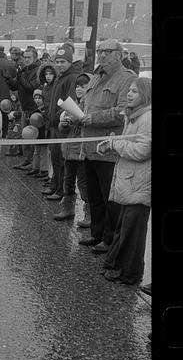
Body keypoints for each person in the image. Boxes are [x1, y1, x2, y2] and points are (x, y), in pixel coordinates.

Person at [77, 40, 137, 254]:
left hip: (108, 150)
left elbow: (123, 112)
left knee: (109, 198)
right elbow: (86, 105)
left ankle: (109, 239)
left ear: (119, 55)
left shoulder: (127, 78)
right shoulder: (95, 76)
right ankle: (97, 234)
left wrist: (93, 118)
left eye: (107, 51)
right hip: (89, 147)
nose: (102, 55)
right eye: (100, 51)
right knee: (94, 196)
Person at [98, 77, 151, 285]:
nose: (129, 94)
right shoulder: (134, 116)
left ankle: (130, 274)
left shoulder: (147, 118)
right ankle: (119, 266)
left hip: (140, 184)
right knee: (125, 227)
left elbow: (142, 151)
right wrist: (111, 143)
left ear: (145, 96)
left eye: (134, 92)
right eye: (129, 90)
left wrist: (116, 145)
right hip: (131, 181)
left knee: (134, 232)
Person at [42, 45, 83, 202]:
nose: (59, 65)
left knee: (60, 160)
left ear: (69, 62)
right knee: (55, 158)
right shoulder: (61, 76)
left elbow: (69, 103)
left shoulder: (71, 78)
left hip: (61, 127)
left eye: (63, 62)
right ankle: (55, 185)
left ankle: (60, 190)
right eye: (57, 61)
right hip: (53, 125)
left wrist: (58, 117)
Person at [52, 73, 90, 222]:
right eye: (77, 86)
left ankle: (89, 213)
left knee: (83, 184)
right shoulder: (72, 103)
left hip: (81, 151)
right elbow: (63, 131)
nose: (79, 89)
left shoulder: (90, 105)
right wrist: (64, 124)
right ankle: (67, 209)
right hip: (68, 150)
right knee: (68, 181)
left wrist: (78, 120)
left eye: (83, 86)